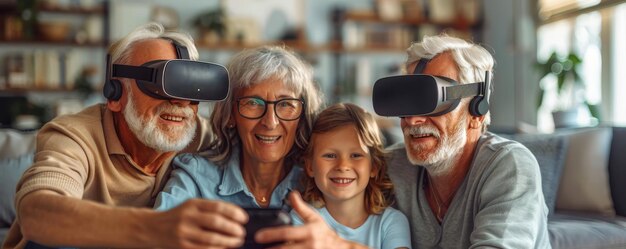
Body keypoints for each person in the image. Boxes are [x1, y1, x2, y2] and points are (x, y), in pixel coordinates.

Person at [254, 34, 551, 249]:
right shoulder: (395, 166)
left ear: (476, 109)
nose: (412, 119)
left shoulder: (508, 165)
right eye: (406, 103)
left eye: (432, 102)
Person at [2, 23, 248, 249]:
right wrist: (155, 226)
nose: (181, 102)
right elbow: (38, 213)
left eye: (190, 86)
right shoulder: (75, 136)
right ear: (115, 94)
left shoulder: (202, 138)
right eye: (162, 84)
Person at [154, 44, 324, 233]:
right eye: (253, 103)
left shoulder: (318, 180)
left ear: (301, 116)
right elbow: (157, 236)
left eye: (285, 104)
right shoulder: (197, 176)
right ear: (231, 115)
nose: (270, 122)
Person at [294, 102, 411, 249]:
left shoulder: (391, 222)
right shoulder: (301, 220)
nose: (343, 166)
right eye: (330, 155)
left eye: (356, 155)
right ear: (309, 166)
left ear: (374, 166)